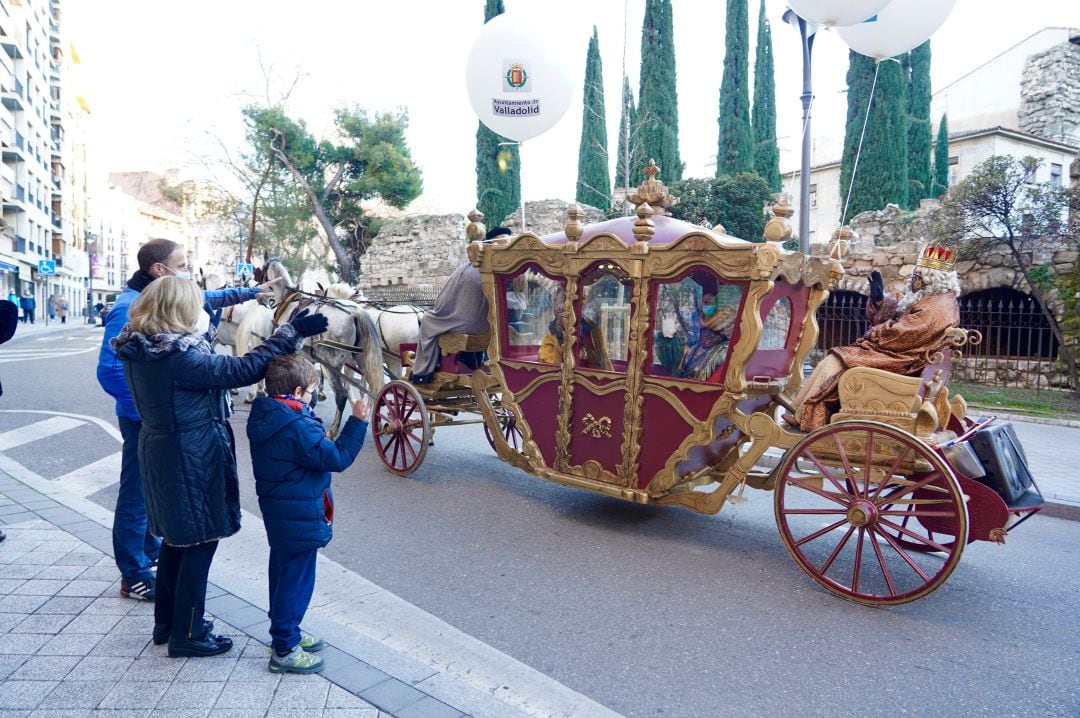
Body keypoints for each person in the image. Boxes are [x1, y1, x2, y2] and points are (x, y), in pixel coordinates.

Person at [112, 277, 327, 658]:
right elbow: (242, 370)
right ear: (179, 310)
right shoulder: (178, 357)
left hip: (166, 449)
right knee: (198, 542)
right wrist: (290, 332)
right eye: (195, 304)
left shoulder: (143, 347)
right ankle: (189, 634)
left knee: (178, 543)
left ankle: (168, 624)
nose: (202, 310)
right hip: (187, 454)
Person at [97, 238, 279, 603]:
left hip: (159, 418)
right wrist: (155, 407)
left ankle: (149, 556)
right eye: (182, 265)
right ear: (160, 271)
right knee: (137, 493)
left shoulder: (159, 298)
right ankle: (132, 573)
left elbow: (206, 300)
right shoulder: (127, 309)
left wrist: (250, 292)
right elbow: (109, 372)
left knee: (152, 493)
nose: (188, 272)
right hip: (147, 420)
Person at [246, 354, 369, 674]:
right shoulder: (298, 426)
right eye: (313, 389)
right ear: (299, 391)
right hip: (298, 513)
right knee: (296, 581)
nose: (315, 394)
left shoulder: (267, 413)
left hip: (281, 510)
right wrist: (357, 421)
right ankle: (285, 647)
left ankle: (285, 634)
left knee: (283, 573)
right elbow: (337, 457)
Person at [788, 248, 961, 432]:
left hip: (902, 361)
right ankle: (800, 411)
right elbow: (905, 316)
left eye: (917, 276)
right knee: (832, 361)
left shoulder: (936, 307)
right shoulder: (937, 299)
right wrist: (880, 300)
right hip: (905, 357)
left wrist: (873, 334)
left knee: (833, 362)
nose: (913, 281)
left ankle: (804, 416)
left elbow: (901, 334)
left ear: (930, 278)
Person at [409, 227, 510, 383]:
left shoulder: (470, 269)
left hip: (472, 327)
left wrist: (436, 314)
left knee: (428, 321)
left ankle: (423, 371)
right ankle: (471, 361)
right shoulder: (504, 268)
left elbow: (444, 303)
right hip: (496, 328)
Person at [677, 281, 736, 382]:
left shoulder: (721, 353)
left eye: (714, 332)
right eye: (704, 330)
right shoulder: (692, 348)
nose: (707, 335)